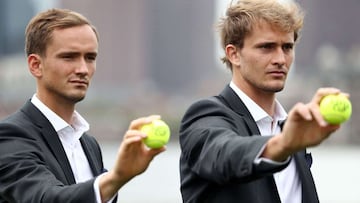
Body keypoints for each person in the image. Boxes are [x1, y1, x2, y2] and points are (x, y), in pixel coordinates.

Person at [178, 0, 349, 202]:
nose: (280, 59)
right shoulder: (205, 116)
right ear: (234, 54)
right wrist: (283, 144)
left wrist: (288, 141)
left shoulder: (291, 133)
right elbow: (224, 154)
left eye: (287, 47)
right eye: (266, 47)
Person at [0, 8, 165, 203]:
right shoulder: (9, 136)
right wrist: (116, 178)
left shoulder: (89, 144)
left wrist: (114, 181)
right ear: (36, 65)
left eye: (90, 58)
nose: (82, 69)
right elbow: (46, 198)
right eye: (68, 57)